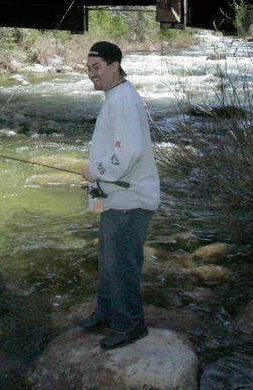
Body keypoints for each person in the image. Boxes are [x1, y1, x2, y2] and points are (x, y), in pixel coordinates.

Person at [79, 40, 160, 349]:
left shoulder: (124, 100)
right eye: (88, 69)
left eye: (97, 67)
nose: (91, 74)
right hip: (117, 199)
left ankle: (130, 325)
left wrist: (95, 170)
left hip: (132, 200)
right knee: (107, 259)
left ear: (115, 66)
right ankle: (107, 312)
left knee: (121, 263)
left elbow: (129, 153)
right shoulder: (116, 96)